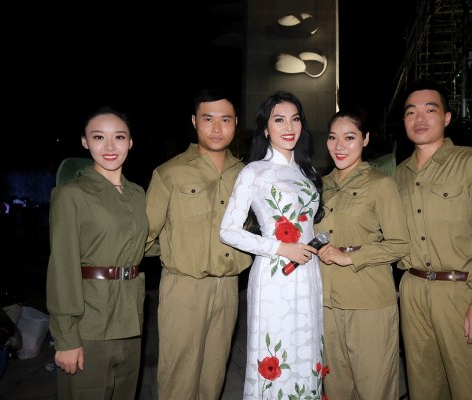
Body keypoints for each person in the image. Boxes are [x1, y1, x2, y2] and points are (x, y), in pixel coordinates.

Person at [395, 79, 472, 399]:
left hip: (462, 292)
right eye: (411, 112)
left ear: (446, 118)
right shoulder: (399, 175)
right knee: (425, 388)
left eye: (429, 110)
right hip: (413, 292)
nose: (419, 118)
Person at [145, 88, 253, 400]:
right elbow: (146, 237)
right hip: (184, 287)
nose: (217, 128)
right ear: (194, 121)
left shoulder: (246, 175)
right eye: (208, 119)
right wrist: (177, 250)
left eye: (225, 119)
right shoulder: (170, 173)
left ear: (236, 123)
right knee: (179, 377)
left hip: (229, 287)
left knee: (214, 375)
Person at [220, 91, 327, 399]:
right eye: (279, 120)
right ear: (265, 129)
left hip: (308, 274)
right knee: (277, 352)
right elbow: (228, 231)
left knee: (306, 349)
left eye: (295, 119)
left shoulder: (306, 172)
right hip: (275, 275)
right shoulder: (254, 172)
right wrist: (279, 248)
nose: (288, 127)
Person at [46, 107, 148, 399]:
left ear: (130, 142)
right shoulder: (71, 194)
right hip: (90, 321)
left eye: (119, 137)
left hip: (130, 318)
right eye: (99, 137)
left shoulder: (137, 194)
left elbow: (143, 244)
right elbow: (62, 266)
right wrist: (66, 338)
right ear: (85, 142)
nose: (110, 146)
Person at [314, 108, 410, 399]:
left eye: (349, 137)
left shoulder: (381, 185)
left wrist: (350, 257)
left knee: (374, 388)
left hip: (369, 304)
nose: (339, 146)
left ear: (365, 139)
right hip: (327, 304)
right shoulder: (319, 186)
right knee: (335, 388)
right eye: (333, 137)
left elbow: (400, 244)